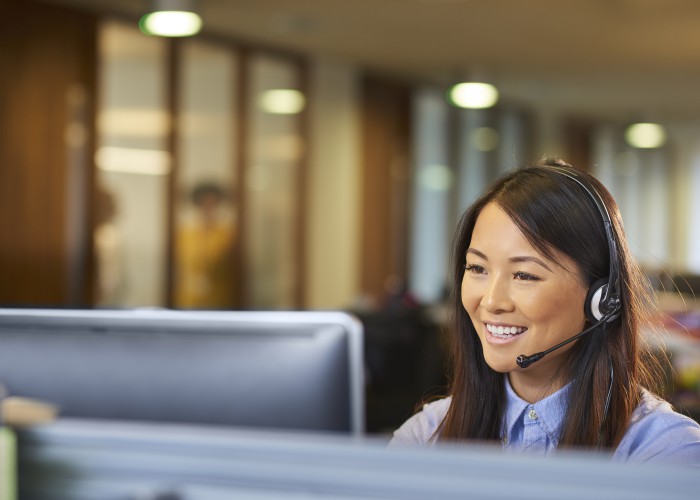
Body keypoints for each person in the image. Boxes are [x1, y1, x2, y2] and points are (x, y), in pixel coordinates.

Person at [390, 158, 700, 464]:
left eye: (524, 275)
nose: (490, 301)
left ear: (602, 298)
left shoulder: (664, 451)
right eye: (477, 268)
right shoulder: (424, 437)